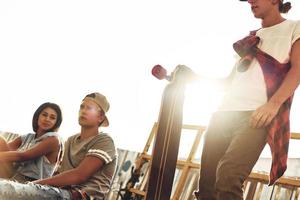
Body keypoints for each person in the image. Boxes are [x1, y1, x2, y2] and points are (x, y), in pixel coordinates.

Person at [193, 0, 300, 199]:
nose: (250, 1)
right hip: (222, 115)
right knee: (207, 185)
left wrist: (273, 104)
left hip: (255, 116)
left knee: (228, 177)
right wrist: (193, 78)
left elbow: (298, 69)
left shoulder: (294, 27)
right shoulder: (251, 39)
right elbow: (228, 82)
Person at [0, 92, 117, 200]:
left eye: (90, 108)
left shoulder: (104, 141)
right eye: (82, 107)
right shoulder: (71, 140)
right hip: (60, 191)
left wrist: (34, 183)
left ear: (100, 117)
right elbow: (60, 173)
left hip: (82, 195)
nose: (84, 111)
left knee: (6, 190)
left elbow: (79, 175)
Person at [0, 102, 63, 183]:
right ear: (37, 116)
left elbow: (23, 156)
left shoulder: (53, 140)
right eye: (44, 115)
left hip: (33, 182)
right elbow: (6, 150)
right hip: (14, 174)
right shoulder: (27, 137)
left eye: (52, 118)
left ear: (56, 123)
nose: (47, 119)